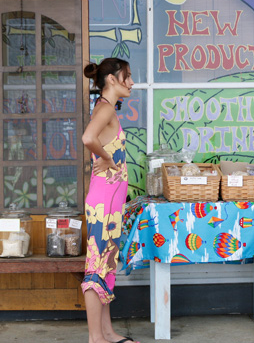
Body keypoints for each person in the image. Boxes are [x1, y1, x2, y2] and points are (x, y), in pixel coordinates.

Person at [81, 58, 137, 343]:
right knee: (97, 267)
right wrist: (105, 156)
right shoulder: (104, 108)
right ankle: (96, 338)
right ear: (112, 79)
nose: (132, 82)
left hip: (109, 203)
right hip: (103, 202)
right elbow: (88, 137)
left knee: (106, 267)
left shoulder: (105, 108)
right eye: (127, 76)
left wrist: (105, 156)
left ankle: (107, 332)